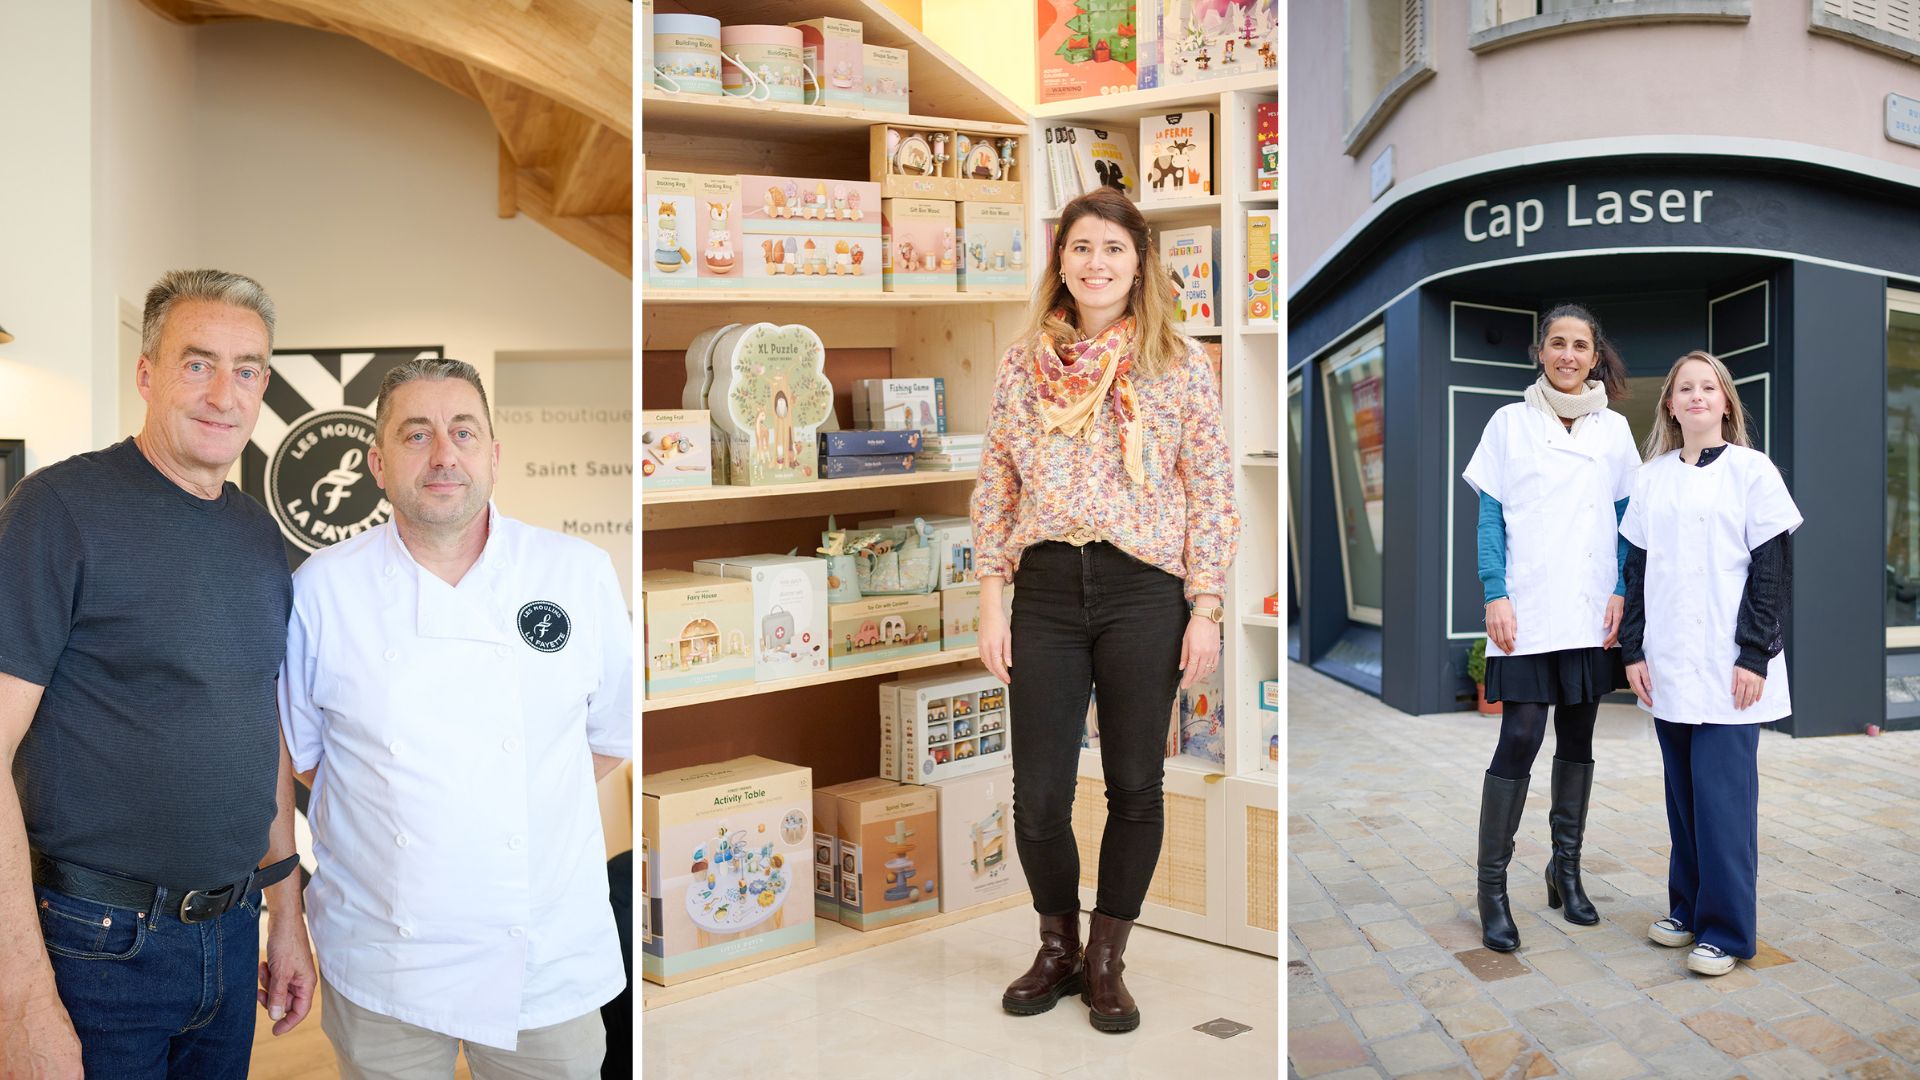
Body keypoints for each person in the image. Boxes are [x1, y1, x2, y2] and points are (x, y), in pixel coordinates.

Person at [0, 269, 314, 1079]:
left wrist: (286, 914)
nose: (222, 392)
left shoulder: (257, 535)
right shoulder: (59, 510)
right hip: (93, 944)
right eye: (197, 362)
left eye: (246, 369)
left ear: (264, 386)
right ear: (147, 374)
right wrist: (20, 996)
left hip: (230, 931)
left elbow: (260, 733)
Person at [279, 358, 631, 1077]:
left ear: (493, 456)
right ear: (378, 463)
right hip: (386, 959)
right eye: (416, 435)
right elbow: (306, 761)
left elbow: (608, 738)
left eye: (463, 432)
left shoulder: (576, 572)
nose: (444, 455)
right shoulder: (320, 591)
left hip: (544, 956)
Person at [971, 186, 1239, 1033]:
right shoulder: (1022, 364)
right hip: (1045, 588)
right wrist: (991, 599)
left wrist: (1208, 608)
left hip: (1143, 592)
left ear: (1139, 263)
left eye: (1114, 249)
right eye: (1082, 247)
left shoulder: (1182, 363)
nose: (1097, 263)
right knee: (1039, 795)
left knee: (1135, 785)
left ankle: (1108, 959)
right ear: (1062, 260)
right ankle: (1057, 946)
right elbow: (996, 484)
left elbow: (1213, 492)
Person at [1460, 303, 1640, 952]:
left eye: (1581, 346)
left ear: (1596, 356)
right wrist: (1494, 595)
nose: (1568, 355)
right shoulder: (1509, 424)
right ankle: (1492, 890)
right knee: (1520, 737)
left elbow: (1628, 522)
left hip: (1591, 611)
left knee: (1579, 737)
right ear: (1541, 351)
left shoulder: (1614, 431)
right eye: (1557, 343)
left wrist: (1621, 588)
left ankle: (1565, 870)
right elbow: (1489, 520)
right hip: (1527, 611)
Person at [1619, 350, 1798, 977]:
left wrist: (1755, 653)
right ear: (1670, 403)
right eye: (1685, 388)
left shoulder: (1754, 472)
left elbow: (1772, 572)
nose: (1697, 397)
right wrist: (1633, 648)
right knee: (1682, 797)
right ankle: (1687, 908)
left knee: (1723, 799)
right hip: (1667, 661)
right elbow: (1636, 570)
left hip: (1730, 666)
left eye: (1709, 387)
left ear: (1725, 402)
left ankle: (1726, 930)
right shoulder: (1652, 476)